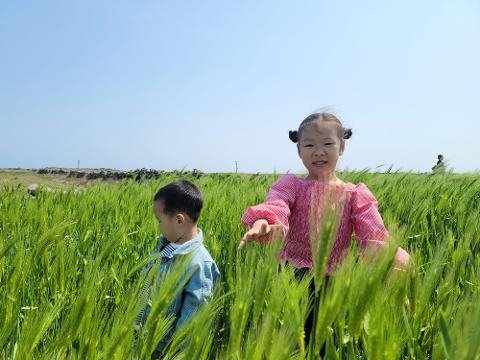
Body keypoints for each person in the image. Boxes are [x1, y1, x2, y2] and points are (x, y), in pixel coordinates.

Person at [238, 112, 410, 273]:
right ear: (299, 150)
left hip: (334, 282)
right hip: (289, 274)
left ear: (341, 146)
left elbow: (373, 234)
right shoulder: (292, 185)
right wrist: (263, 220)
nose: (319, 151)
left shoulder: (355, 195)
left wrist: (391, 263)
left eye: (327, 144)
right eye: (309, 145)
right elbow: (277, 205)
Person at [136, 180, 220, 358]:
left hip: (163, 351)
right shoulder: (165, 248)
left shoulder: (199, 265)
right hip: (143, 341)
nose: (158, 226)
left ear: (179, 220)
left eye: (159, 220)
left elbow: (191, 325)